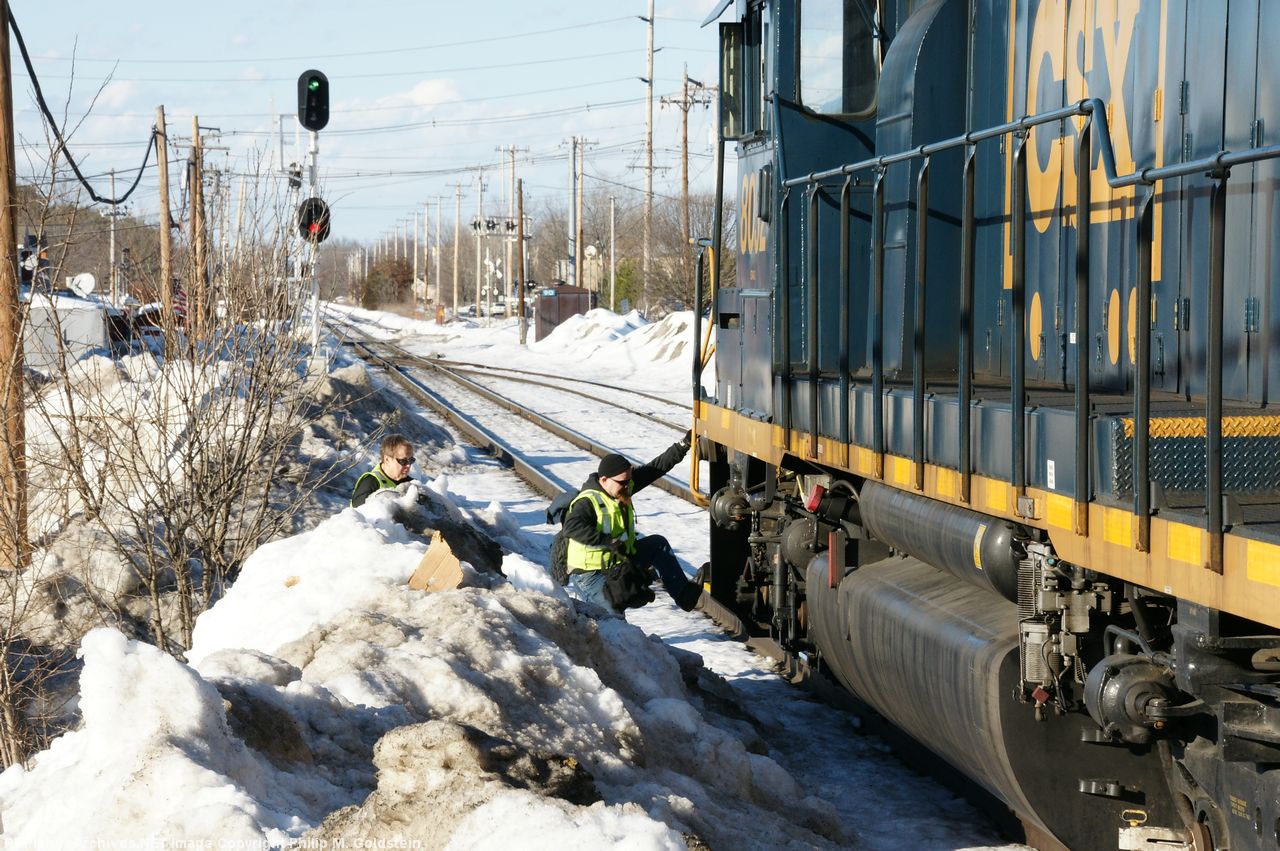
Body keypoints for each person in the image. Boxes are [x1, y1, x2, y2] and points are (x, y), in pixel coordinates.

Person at [564, 433, 703, 615]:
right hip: (591, 574)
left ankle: (683, 596)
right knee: (613, 618)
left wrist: (684, 445)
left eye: (629, 481)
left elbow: (655, 468)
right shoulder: (587, 501)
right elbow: (571, 527)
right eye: (623, 482)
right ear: (604, 480)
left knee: (657, 544)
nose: (628, 486)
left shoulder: (621, 487)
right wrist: (608, 540)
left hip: (617, 561)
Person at [351, 434, 416, 507]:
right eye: (403, 461)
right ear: (387, 459)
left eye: (411, 460)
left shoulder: (412, 484)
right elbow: (357, 513)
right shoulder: (370, 483)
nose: (408, 465)